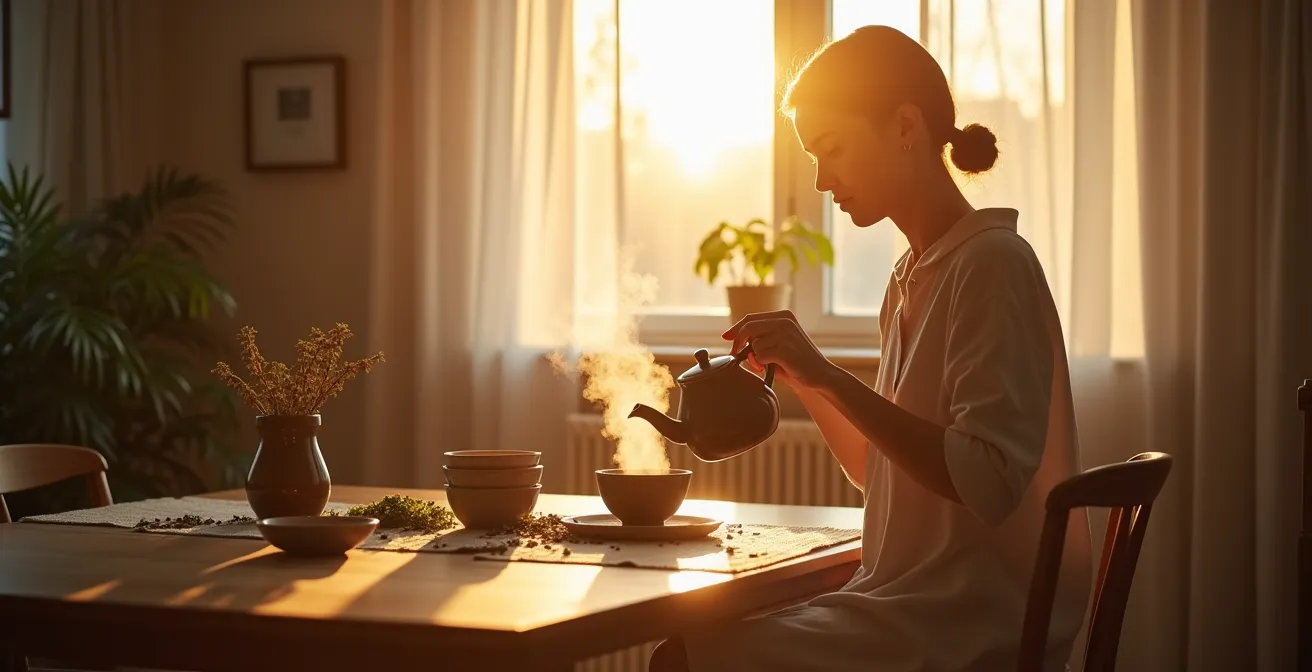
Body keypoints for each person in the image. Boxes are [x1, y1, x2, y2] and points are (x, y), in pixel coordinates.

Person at [648, 25, 1093, 672]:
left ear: (906, 127)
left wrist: (828, 371)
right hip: (906, 605)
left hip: (968, 625)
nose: (824, 180)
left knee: (681, 658)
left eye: (832, 149)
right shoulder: (911, 277)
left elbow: (986, 480)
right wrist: (809, 380)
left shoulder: (993, 265)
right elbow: (872, 467)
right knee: (703, 631)